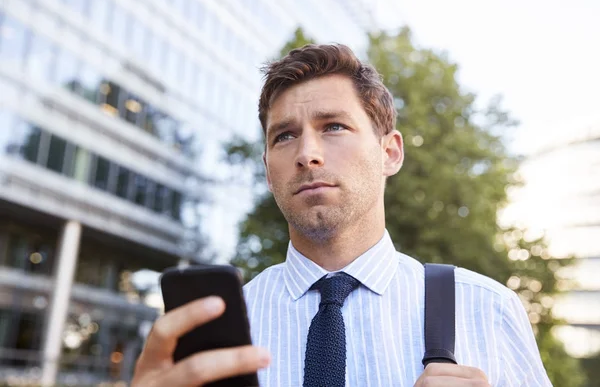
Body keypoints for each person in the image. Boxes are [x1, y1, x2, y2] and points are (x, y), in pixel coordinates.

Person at [132, 44, 552, 387]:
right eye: (285, 136)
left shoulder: (486, 308)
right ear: (267, 170)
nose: (306, 154)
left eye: (333, 126)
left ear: (389, 152)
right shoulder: (216, 330)